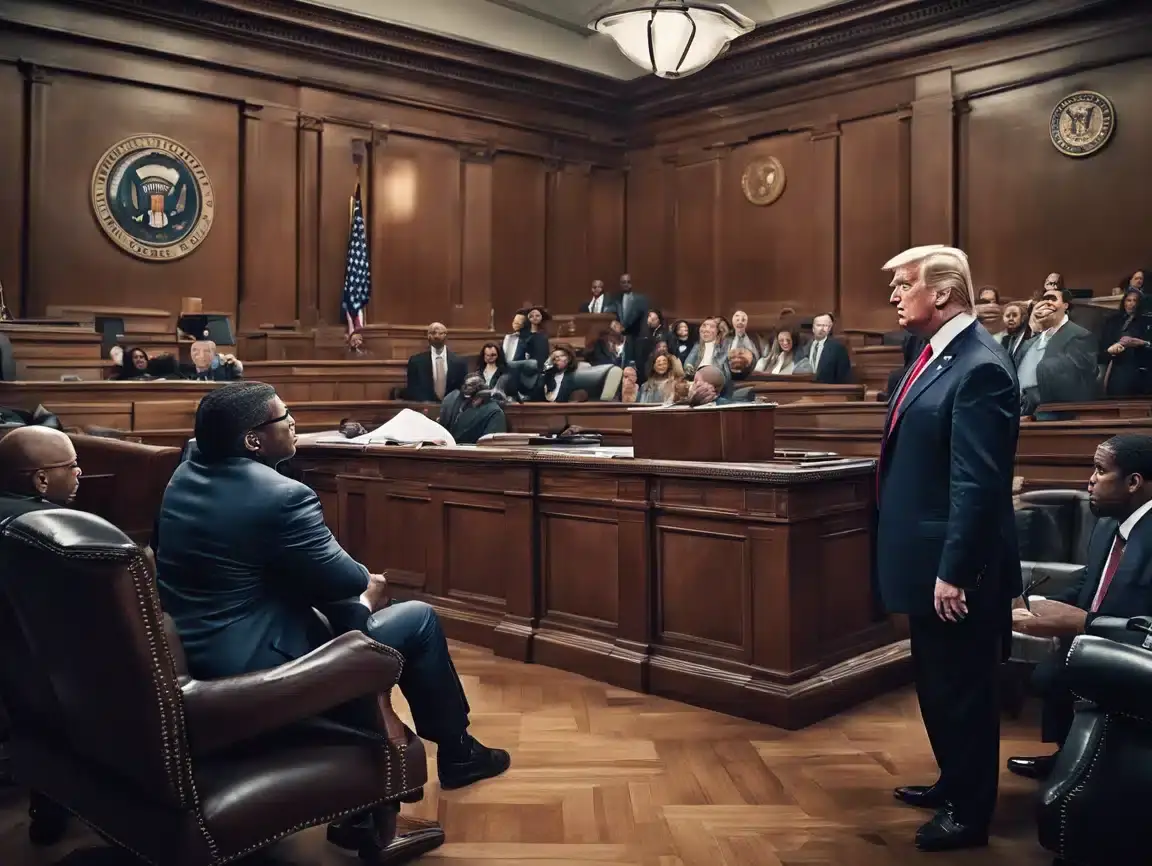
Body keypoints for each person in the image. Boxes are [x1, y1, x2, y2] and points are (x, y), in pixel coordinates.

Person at [154, 385, 510, 812]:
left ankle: (383, 764)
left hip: (196, 647)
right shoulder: (281, 496)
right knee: (415, 617)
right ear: (253, 440)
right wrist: (366, 588)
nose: (293, 423)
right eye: (283, 417)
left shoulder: (187, 469)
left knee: (344, 611)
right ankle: (458, 752)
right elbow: (346, 577)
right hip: (257, 666)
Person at [876, 245, 1021, 852]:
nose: (893, 296)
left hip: (957, 570)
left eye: (903, 284)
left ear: (941, 293)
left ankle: (970, 813)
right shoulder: (933, 355)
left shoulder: (979, 366)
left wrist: (955, 572)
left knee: (962, 688)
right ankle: (953, 780)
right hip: (930, 560)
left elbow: (977, 484)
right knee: (938, 683)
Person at [1007, 434, 1152, 779]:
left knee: (1058, 672)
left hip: (1137, 652)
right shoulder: (1106, 526)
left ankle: (1102, 768)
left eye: (1100, 471)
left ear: (1133, 482)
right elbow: (1092, 580)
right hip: (1095, 639)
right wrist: (1038, 606)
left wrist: (1082, 623)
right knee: (1051, 674)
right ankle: (1068, 756)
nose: (1090, 480)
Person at [0, 426, 82, 844]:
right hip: (42, 674)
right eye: (71, 466)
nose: (80, 473)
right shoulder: (57, 529)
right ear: (41, 480)